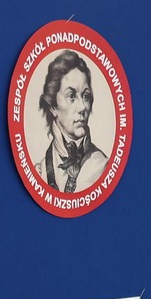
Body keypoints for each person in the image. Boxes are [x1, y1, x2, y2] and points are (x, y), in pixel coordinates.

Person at [37, 50, 108, 193]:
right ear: (52, 107)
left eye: (85, 96)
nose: (82, 107)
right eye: (71, 96)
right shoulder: (40, 172)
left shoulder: (103, 168)